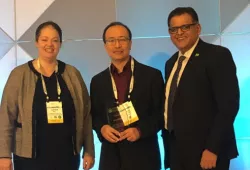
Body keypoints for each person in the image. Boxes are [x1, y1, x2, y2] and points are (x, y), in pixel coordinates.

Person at [0, 21, 94, 170]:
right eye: (44, 39)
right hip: (28, 158)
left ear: (60, 43)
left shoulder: (72, 74)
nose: (49, 44)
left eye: (55, 40)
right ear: (36, 42)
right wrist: (4, 155)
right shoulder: (19, 75)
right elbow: (6, 116)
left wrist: (89, 151)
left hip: (67, 156)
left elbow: (86, 115)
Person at [162, 7, 240, 170]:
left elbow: (228, 107)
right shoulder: (171, 63)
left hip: (207, 153)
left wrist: (212, 148)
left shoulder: (217, 55)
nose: (179, 33)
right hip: (178, 152)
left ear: (198, 28)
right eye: (173, 29)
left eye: (185, 27)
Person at [90, 21, 164, 170]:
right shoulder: (97, 81)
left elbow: (161, 114)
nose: (117, 45)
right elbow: (94, 115)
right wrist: (102, 128)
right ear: (105, 46)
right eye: (111, 40)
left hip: (144, 156)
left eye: (122, 39)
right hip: (111, 156)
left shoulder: (151, 76)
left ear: (130, 43)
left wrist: (140, 130)